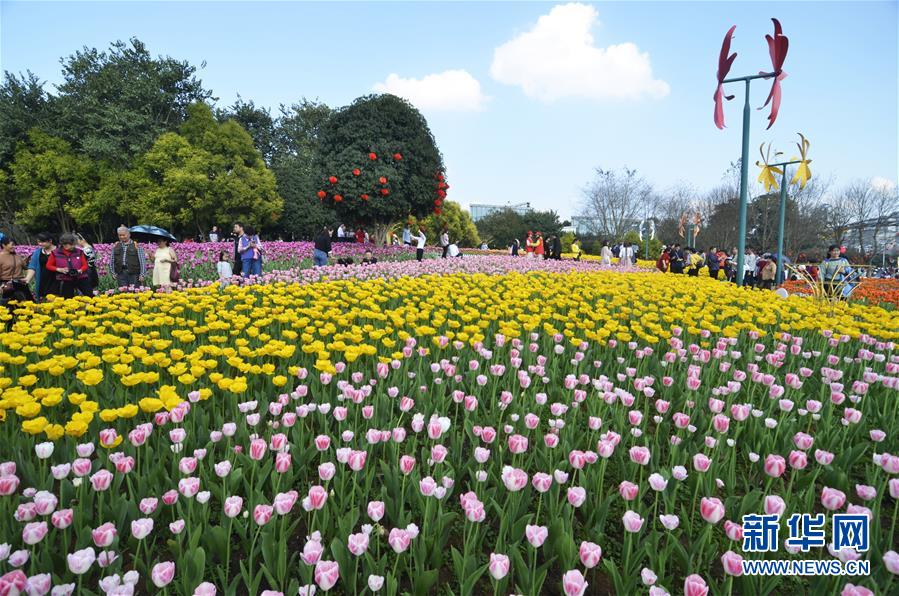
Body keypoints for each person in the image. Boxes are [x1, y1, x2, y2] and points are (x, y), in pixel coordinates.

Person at [47, 233, 92, 298]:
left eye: (74, 244)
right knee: (68, 298)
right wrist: (59, 269)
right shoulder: (55, 253)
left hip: (81, 277)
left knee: (89, 295)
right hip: (65, 278)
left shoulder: (79, 252)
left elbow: (85, 265)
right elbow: (49, 265)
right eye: (71, 245)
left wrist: (80, 270)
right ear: (64, 244)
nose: (73, 246)